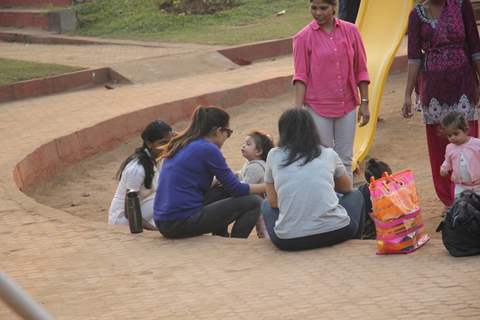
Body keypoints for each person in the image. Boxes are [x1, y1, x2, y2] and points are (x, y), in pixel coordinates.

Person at [403, 0, 480, 206]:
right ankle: (450, 201)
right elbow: (413, 57)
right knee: (440, 147)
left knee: (468, 141)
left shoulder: (461, 5)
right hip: (433, 90)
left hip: (463, 84)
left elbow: (475, 47)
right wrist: (407, 94)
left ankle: (472, 197)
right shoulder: (416, 15)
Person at [261, 108, 366, 251]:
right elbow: (347, 188)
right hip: (337, 232)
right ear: (312, 129)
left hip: (289, 242)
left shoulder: (274, 155)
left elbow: (273, 202)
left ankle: (290, 227)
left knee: (266, 204)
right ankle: (355, 243)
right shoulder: (328, 153)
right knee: (355, 194)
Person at [153, 106, 265, 239]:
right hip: (180, 222)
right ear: (218, 131)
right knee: (254, 202)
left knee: (222, 189)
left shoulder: (183, 142)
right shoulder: (208, 149)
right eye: (228, 133)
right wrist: (268, 186)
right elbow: (237, 189)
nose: (227, 137)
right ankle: (236, 243)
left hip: (164, 221)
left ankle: (221, 235)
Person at [293, 0, 370, 178]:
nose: (318, 13)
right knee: (322, 159)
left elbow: (361, 69)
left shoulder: (351, 31)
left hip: (348, 104)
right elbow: (300, 76)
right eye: (313, 8)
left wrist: (365, 102)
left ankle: (347, 203)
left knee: (345, 159)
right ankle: (327, 203)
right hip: (317, 107)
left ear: (334, 7)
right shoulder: (303, 37)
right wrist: (297, 112)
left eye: (323, 8)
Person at [109, 120, 174, 230]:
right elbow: (129, 211)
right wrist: (154, 230)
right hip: (123, 220)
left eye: (169, 142)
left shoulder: (158, 159)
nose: (166, 146)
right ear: (149, 143)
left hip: (145, 209)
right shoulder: (137, 169)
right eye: (162, 142)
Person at [239, 131, 274, 238]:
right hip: (262, 204)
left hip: (262, 206)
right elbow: (240, 174)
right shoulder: (251, 164)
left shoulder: (255, 167)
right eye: (244, 143)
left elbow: (244, 185)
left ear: (258, 151)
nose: (244, 146)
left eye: (248, 144)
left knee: (263, 229)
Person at [440, 112, 480, 197]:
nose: (453, 137)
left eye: (456, 134)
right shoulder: (450, 148)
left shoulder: (477, 144)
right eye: (449, 135)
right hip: (460, 187)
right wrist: (444, 168)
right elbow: (447, 161)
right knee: (460, 207)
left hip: (478, 186)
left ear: (465, 130)